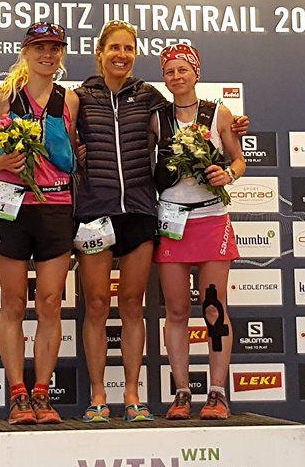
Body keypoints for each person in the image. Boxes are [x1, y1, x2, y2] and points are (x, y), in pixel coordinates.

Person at [74, 21, 249, 423]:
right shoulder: (82, 97)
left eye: (128, 49)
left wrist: (234, 142)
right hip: (99, 211)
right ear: (100, 52)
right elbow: (58, 129)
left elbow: (230, 147)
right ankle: (110, 396)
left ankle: (160, 395)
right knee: (104, 305)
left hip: (150, 213)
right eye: (114, 47)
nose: (121, 55)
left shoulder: (153, 99)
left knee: (163, 306)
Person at [0, 22, 79, 425]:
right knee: (14, 302)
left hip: (56, 206)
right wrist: (2, 161)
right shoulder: (4, 96)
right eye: (40, 48)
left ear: (61, 54)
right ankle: (18, 393)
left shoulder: (70, 99)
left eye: (55, 48)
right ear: (25, 52)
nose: (47, 55)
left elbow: (74, 151)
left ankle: (42, 393)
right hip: (13, 208)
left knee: (50, 302)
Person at [154, 43, 246, 420]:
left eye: (183, 70)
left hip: (211, 220)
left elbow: (238, 159)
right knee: (176, 310)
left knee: (213, 308)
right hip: (172, 222)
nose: (176, 76)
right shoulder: (157, 117)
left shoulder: (218, 112)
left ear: (196, 73)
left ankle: (217, 393)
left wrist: (229, 174)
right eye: (169, 71)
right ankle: (181, 392)